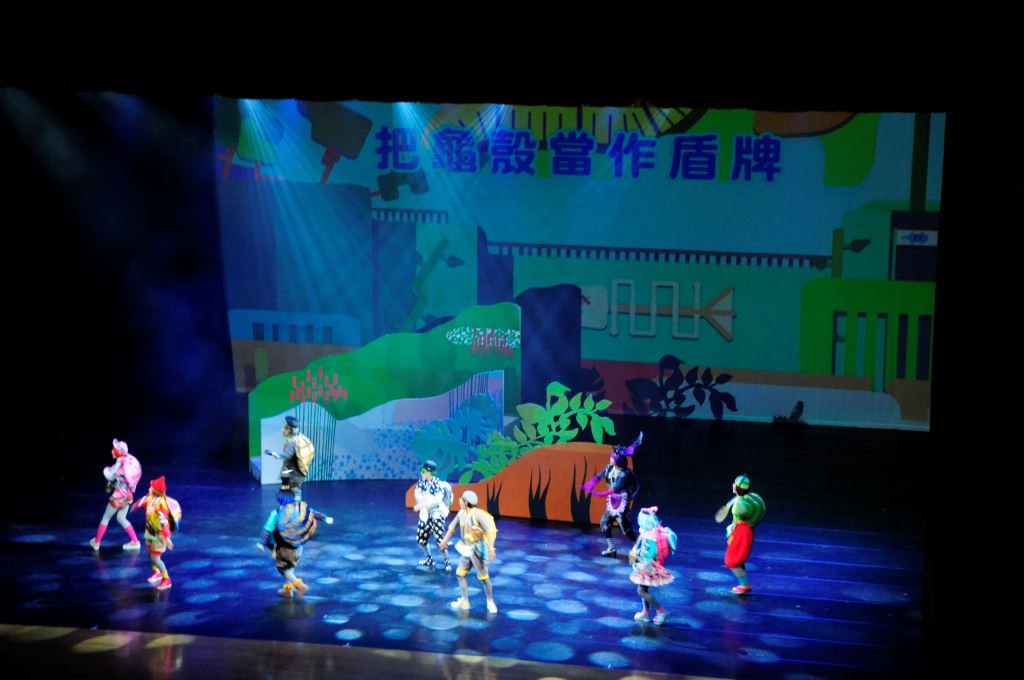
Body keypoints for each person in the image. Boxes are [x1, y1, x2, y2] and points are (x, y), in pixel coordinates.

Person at [581, 432, 642, 556]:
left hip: (622, 503)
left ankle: (640, 548)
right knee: (604, 522)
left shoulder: (624, 474)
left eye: (612, 457)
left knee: (625, 529)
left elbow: (616, 488)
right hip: (612, 501)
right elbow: (599, 476)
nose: (610, 459)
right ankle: (612, 548)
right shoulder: (609, 468)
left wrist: (601, 493)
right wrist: (590, 484)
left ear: (618, 460)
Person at [439, 490, 498, 614]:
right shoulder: (461, 513)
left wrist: (491, 548)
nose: (459, 501)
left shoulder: (478, 514)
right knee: (460, 574)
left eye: (461, 499)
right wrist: (444, 542)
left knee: (484, 577)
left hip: (478, 551)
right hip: (466, 549)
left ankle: (490, 601)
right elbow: (451, 528)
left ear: (465, 502)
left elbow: (490, 530)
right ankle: (465, 601)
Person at [715, 474, 766, 595]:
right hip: (749, 529)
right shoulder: (753, 497)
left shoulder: (738, 506)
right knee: (739, 558)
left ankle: (744, 583)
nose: (733, 485)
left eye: (735, 484)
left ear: (737, 488)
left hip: (741, 532)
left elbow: (737, 518)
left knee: (732, 560)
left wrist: (731, 530)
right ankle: (743, 583)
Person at [89, 438, 142, 551]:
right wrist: (114, 484)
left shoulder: (120, 464)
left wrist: (112, 484)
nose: (112, 451)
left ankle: (96, 542)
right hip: (127, 495)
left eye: (114, 450)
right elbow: (121, 481)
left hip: (119, 496)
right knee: (121, 518)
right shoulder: (128, 462)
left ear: (118, 452)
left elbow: (113, 476)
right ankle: (135, 541)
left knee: (106, 517)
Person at [412, 460, 452, 570]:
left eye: (424, 471)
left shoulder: (438, 485)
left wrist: (424, 504)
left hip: (436, 515)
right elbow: (417, 495)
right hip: (425, 515)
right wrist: (423, 503)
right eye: (421, 470)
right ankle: (429, 559)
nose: (422, 473)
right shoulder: (421, 482)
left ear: (430, 472)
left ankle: (447, 561)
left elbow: (437, 501)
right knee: (421, 538)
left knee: (440, 540)